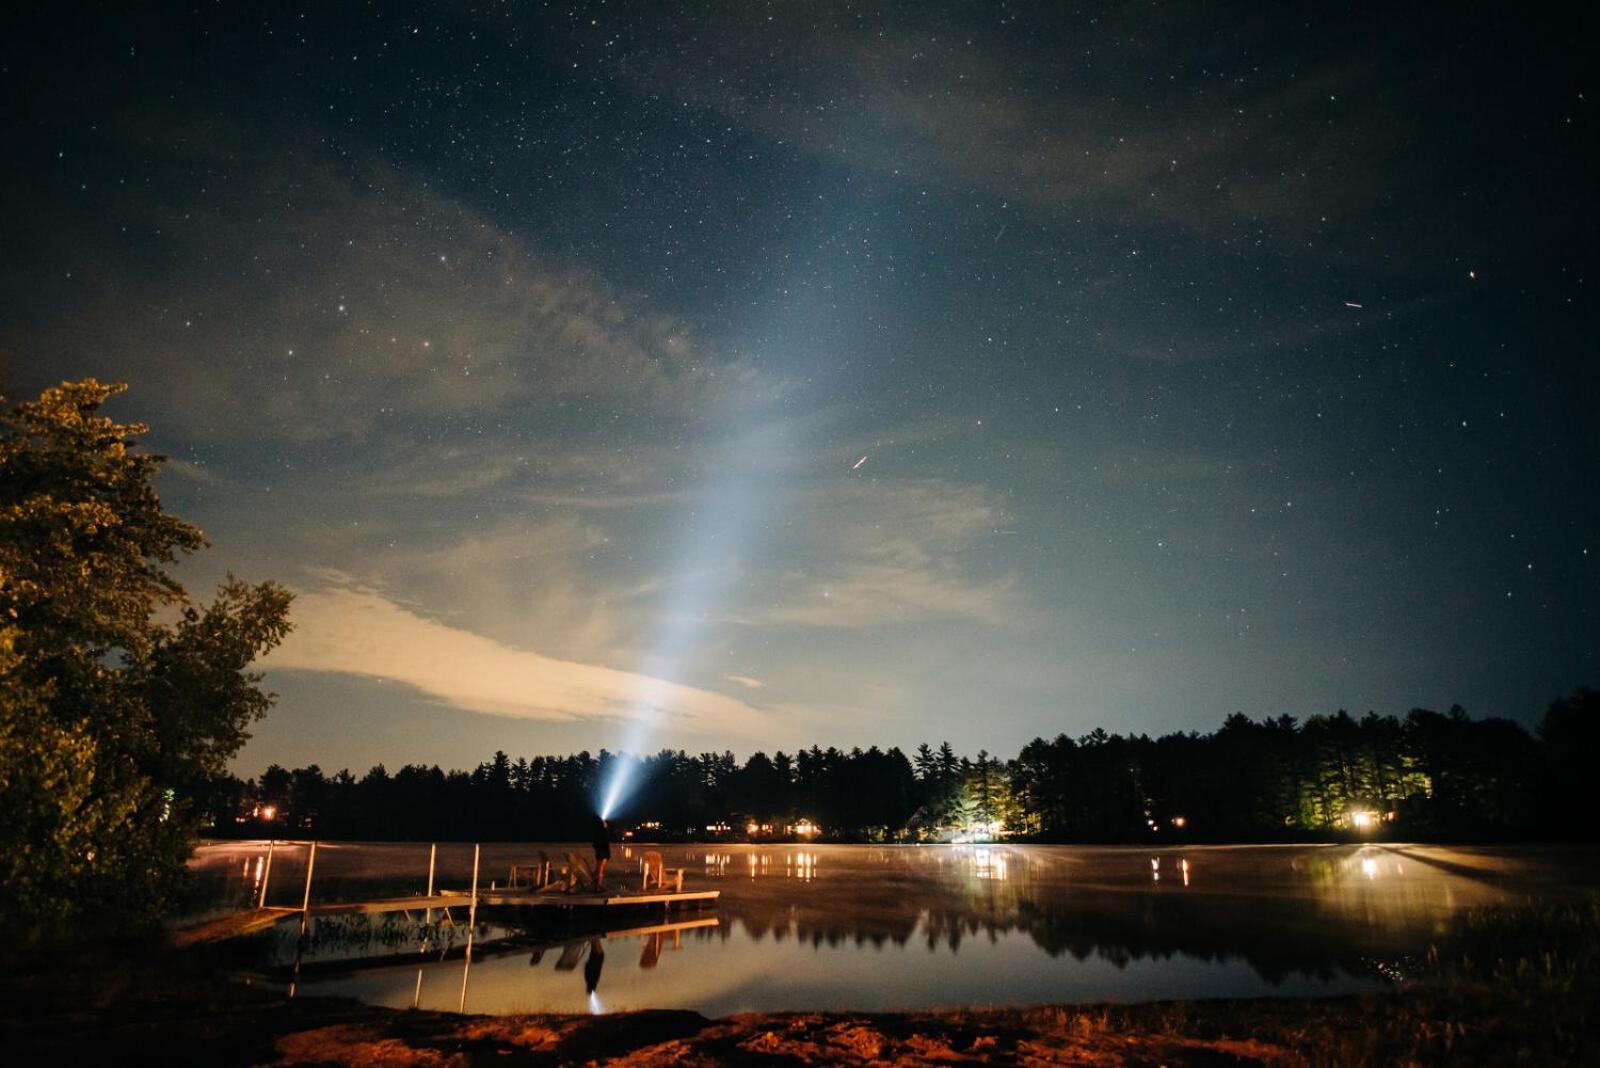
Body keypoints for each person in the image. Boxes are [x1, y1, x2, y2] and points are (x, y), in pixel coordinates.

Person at [591, 816, 611, 892]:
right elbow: (607, 840)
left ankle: (597, 886)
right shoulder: (604, 832)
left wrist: (597, 849)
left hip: (599, 853)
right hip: (604, 853)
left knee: (598, 869)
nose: (606, 824)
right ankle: (598, 887)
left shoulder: (596, 833)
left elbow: (594, 843)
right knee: (601, 870)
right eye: (604, 823)